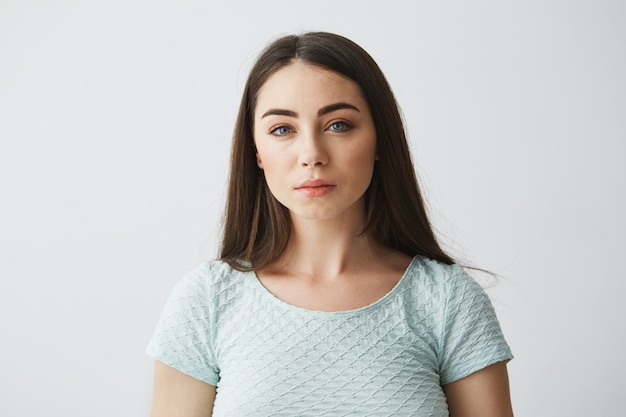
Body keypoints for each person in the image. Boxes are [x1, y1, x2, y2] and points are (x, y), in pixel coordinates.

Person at [146, 31, 513, 416]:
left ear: (380, 141)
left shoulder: (448, 302)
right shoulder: (206, 301)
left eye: (338, 125)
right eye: (282, 129)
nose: (312, 154)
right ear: (256, 151)